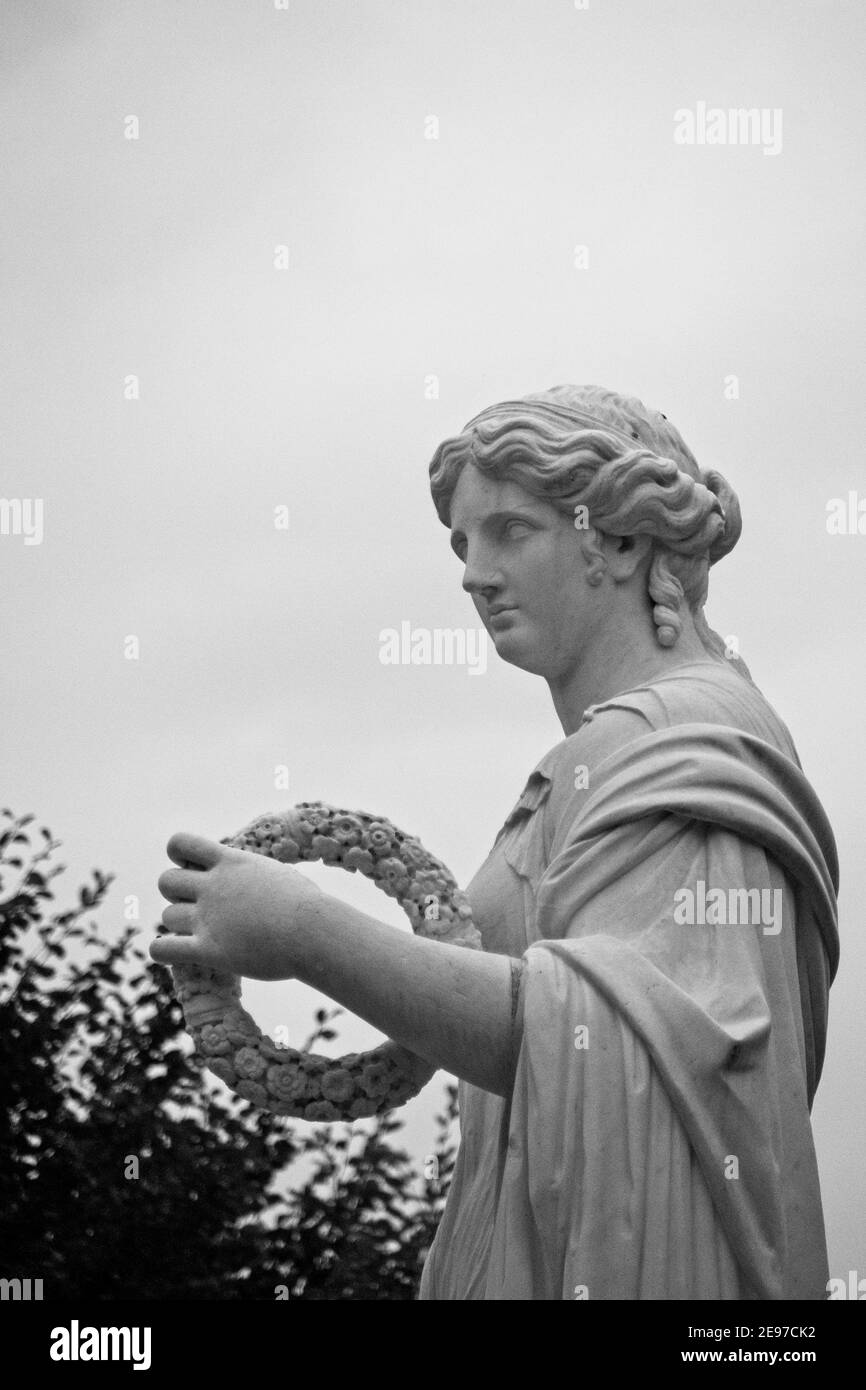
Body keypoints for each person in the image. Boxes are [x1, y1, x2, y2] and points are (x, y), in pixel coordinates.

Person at [151, 384, 839, 1300]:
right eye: (462, 543)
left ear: (625, 541)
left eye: (511, 530)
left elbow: (614, 1051)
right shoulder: (599, 755)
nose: (472, 573)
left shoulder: (687, 745)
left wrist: (308, 933)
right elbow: (510, 1006)